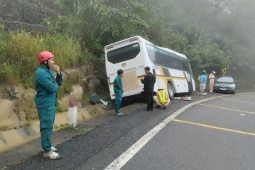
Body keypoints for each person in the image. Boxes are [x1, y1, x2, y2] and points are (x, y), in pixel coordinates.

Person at [34, 51, 62, 160]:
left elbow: (58, 83)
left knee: (48, 125)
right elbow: (53, 88)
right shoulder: (41, 73)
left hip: (50, 101)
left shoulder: (48, 71)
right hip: (45, 103)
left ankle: (47, 145)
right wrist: (55, 83)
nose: (53, 61)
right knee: (46, 126)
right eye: (51, 59)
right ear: (45, 61)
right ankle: (47, 151)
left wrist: (58, 73)